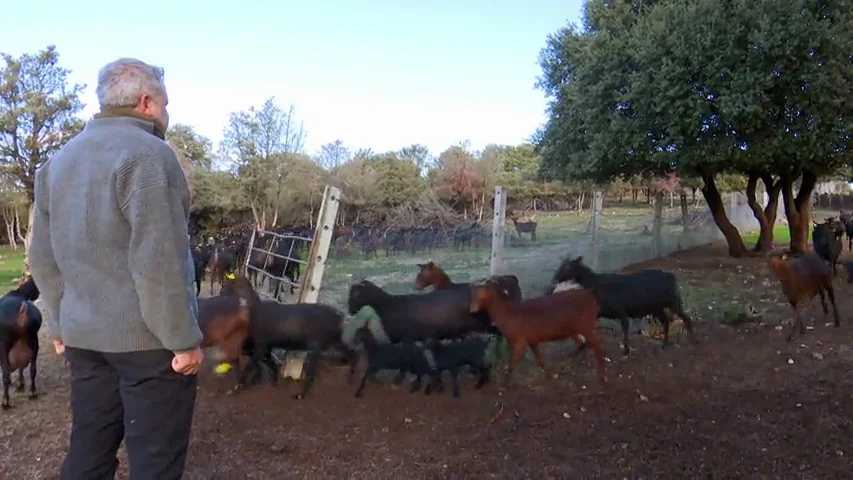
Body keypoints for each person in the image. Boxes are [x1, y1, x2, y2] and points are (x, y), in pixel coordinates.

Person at [29, 57, 204, 479]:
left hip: (84, 340)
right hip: (147, 344)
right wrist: (183, 341)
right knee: (155, 462)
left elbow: (42, 257)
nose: (167, 114)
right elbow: (159, 261)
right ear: (147, 103)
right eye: (165, 104)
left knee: (89, 449)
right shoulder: (150, 155)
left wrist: (58, 325)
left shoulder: (56, 163)